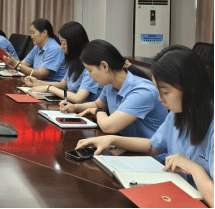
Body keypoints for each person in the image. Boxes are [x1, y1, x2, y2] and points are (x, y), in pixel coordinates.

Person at [76, 45, 214, 207]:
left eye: (165, 92)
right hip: (174, 193)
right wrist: (111, 140)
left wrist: (193, 168)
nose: (160, 99)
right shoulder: (178, 112)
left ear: (191, 87)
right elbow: (152, 146)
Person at [61, 39, 168, 138]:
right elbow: (97, 104)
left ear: (104, 66)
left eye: (90, 70)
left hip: (148, 152)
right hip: (125, 145)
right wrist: (75, 107)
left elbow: (108, 126)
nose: (89, 75)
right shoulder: (110, 84)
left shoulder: (142, 91)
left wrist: (99, 111)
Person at [26, 22, 101, 103]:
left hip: (84, 109)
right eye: (61, 43)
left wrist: (49, 88)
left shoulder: (90, 66)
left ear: (74, 43)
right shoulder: (73, 61)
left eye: (64, 43)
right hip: (70, 105)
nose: (61, 47)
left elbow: (78, 98)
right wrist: (38, 83)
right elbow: (62, 85)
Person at [2, 18, 66, 82]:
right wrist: (8, 60)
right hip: (38, 83)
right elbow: (23, 64)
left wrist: (16, 64)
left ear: (44, 33)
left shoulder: (54, 49)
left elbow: (40, 75)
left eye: (33, 33)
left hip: (51, 85)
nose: (31, 37)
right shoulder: (37, 47)